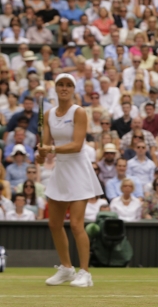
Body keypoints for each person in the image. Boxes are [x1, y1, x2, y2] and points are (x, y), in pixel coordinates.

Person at [36, 73, 103, 288]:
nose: (64, 88)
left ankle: (85, 273)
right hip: (61, 171)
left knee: (76, 225)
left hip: (78, 170)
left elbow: (76, 144)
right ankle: (66, 268)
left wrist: (51, 149)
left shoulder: (79, 112)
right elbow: (45, 148)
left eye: (68, 85)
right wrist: (40, 154)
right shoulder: (48, 115)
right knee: (54, 223)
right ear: (55, 88)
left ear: (73, 89)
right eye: (60, 85)